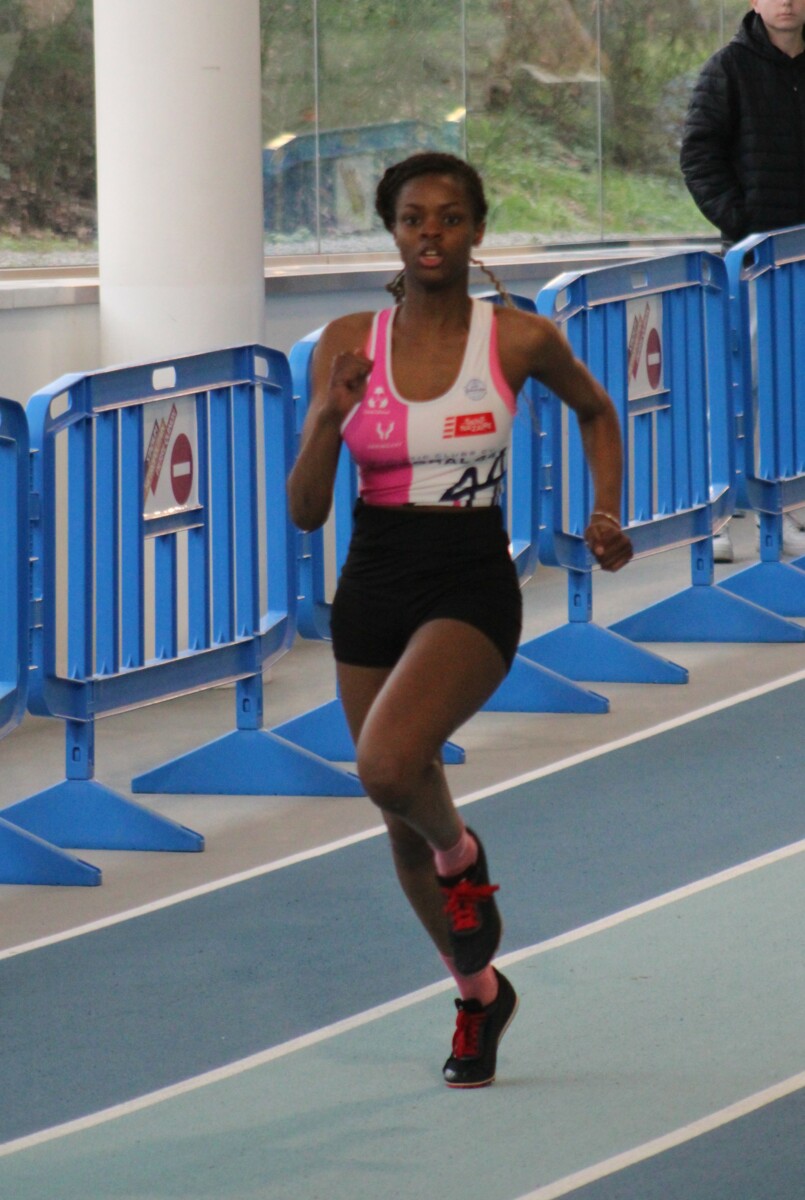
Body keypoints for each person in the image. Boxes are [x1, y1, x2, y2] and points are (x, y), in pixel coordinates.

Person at [287, 152, 633, 1088]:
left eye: (447, 217)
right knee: (395, 815)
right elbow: (306, 512)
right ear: (392, 231)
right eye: (412, 218)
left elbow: (597, 411)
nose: (429, 233)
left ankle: (462, 853)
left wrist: (606, 510)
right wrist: (326, 417)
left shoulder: (516, 339)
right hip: (372, 580)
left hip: (469, 582)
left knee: (387, 764)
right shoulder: (347, 342)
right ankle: (478, 997)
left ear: (476, 230)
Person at [680, 0, 805, 561]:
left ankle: (787, 508)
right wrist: (743, 223)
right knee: (738, 386)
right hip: (753, 260)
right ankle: (716, 515)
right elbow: (698, 155)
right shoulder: (727, 67)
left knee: (794, 389)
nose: (787, 2)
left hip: (803, 259)